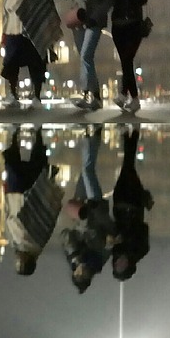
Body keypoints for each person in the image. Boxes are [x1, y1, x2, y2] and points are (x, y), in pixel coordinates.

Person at [0, 0, 62, 108]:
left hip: (34, 30)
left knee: (36, 63)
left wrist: (47, 28)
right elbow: (7, 8)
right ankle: (12, 94)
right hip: (14, 29)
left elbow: (46, 8)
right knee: (11, 62)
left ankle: (37, 96)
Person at [59, 0, 113, 110]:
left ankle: (88, 93)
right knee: (84, 58)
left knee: (86, 55)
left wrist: (99, 13)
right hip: (78, 17)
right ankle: (94, 96)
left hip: (94, 17)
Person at [1, 125, 62, 275]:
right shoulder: (38, 243)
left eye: (17, 263)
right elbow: (47, 220)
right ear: (28, 262)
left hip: (15, 198)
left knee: (13, 166)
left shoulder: (15, 244)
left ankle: (15, 134)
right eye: (20, 263)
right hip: (31, 198)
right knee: (36, 165)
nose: (17, 260)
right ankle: (37, 133)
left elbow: (8, 221)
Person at [62, 125, 114, 293]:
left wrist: (73, 252)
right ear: (89, 276)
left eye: (77, 274)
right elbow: (109, 239)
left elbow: (65, 234)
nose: (81, 271)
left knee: (85, 170)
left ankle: (92, 136)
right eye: (83, 276)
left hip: (80, 209)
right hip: (95, 207)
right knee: (87, 170)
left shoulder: (74, 258)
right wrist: (109, 241)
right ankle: (91, 135)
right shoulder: (98, 261)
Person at [106, 0, 149, 113]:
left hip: (133, 23)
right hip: (117, 24)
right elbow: (110, 1)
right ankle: (129, 97)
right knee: (126, 61)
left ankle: (128, 96)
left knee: (126, 59)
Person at [109, 126, 152, 281]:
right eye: (122, 267)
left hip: (120, 204)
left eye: (116, 266)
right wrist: (127, 237)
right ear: (129, 266)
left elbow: (112, 229)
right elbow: (143, 228)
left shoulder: (114, 250)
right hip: (134, 204)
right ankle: (128, 134)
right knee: (128, 167)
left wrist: (113, 237)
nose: (119, 263)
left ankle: (131, 134)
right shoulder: (140, 250)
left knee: (127, 167)